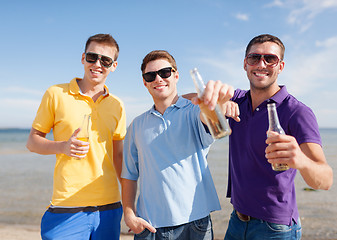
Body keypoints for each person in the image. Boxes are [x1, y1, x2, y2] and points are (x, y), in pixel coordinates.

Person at [224, 34, 333, 240]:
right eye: (254, 58)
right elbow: (189, 99)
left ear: (280, 66)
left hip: (275, 228)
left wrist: (300, 160)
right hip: (236, 222)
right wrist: (215, 102)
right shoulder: (237, 100)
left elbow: (325, 180)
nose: (261, 64)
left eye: (270, 59)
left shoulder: (297, 112)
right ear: (245, 64)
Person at [121, 50, 236, 240]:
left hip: (196, 224)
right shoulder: (136, 126)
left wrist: (219, 105)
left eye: (165, 72)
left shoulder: (194, 111)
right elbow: (129, 174)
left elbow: (209, 119)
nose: (158, 79)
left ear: (176, 75)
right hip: (150, 227)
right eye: (151, 75)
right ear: (144, 82)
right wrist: (129, 214)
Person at [26, 33, 126, 240]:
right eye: (92, 57)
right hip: (67, 206)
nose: (98, 64)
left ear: (114, 66)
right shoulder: (55, 93)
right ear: (83, 58)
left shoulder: (117, 104)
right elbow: (32, 142)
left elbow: (119, 157)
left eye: (105, 60)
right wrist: (62, 146)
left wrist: (131, 203)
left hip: (109, 207)